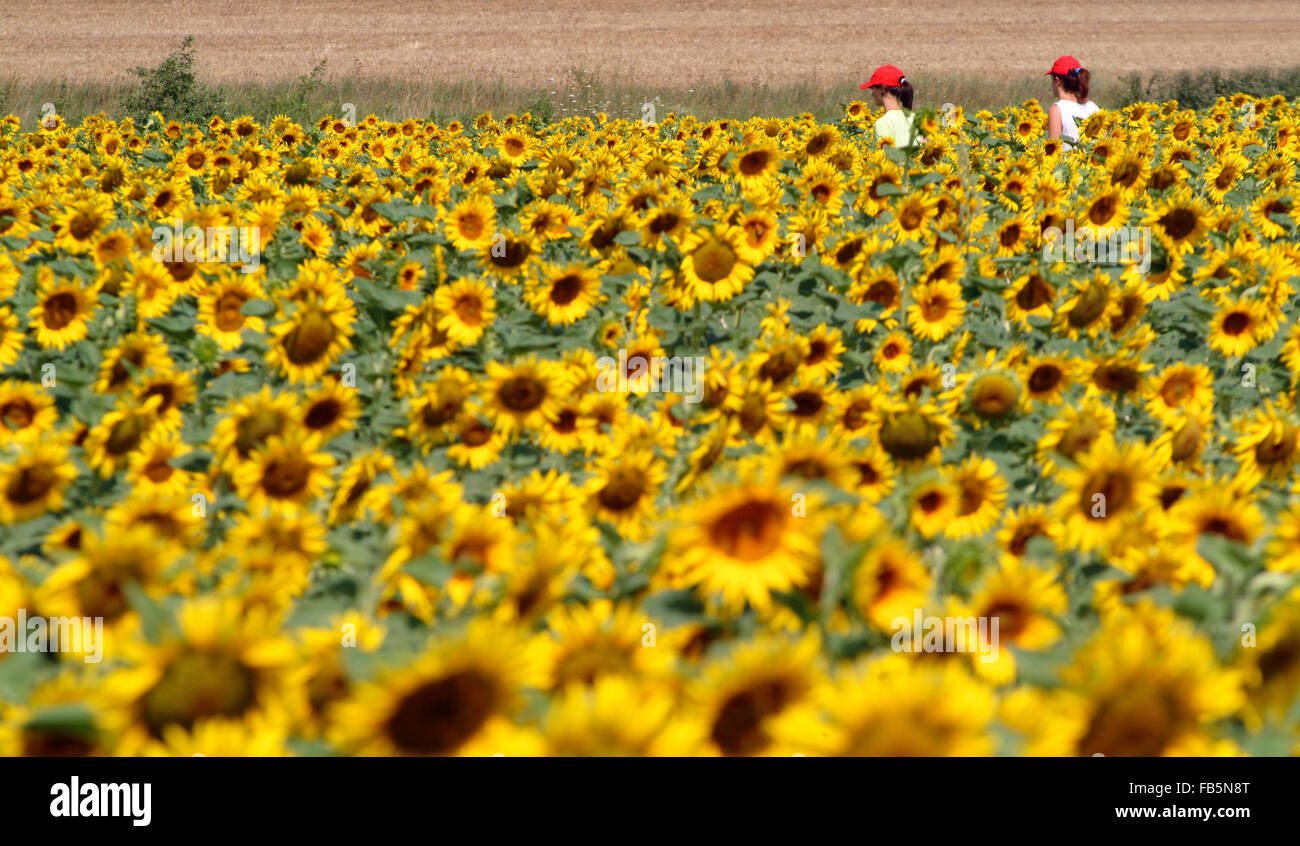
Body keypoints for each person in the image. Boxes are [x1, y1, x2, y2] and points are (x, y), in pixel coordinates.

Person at [1045, 55, 1099, 144]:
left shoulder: (1057, 110)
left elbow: (1053, 149)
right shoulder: (1094, 108)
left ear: (1057, 81)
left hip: (1068, 157)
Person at [860, 64, 916, 149]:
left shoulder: (883, 123)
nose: (872, 93)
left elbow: (885, 160)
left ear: (883, 90)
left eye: (873, 88)